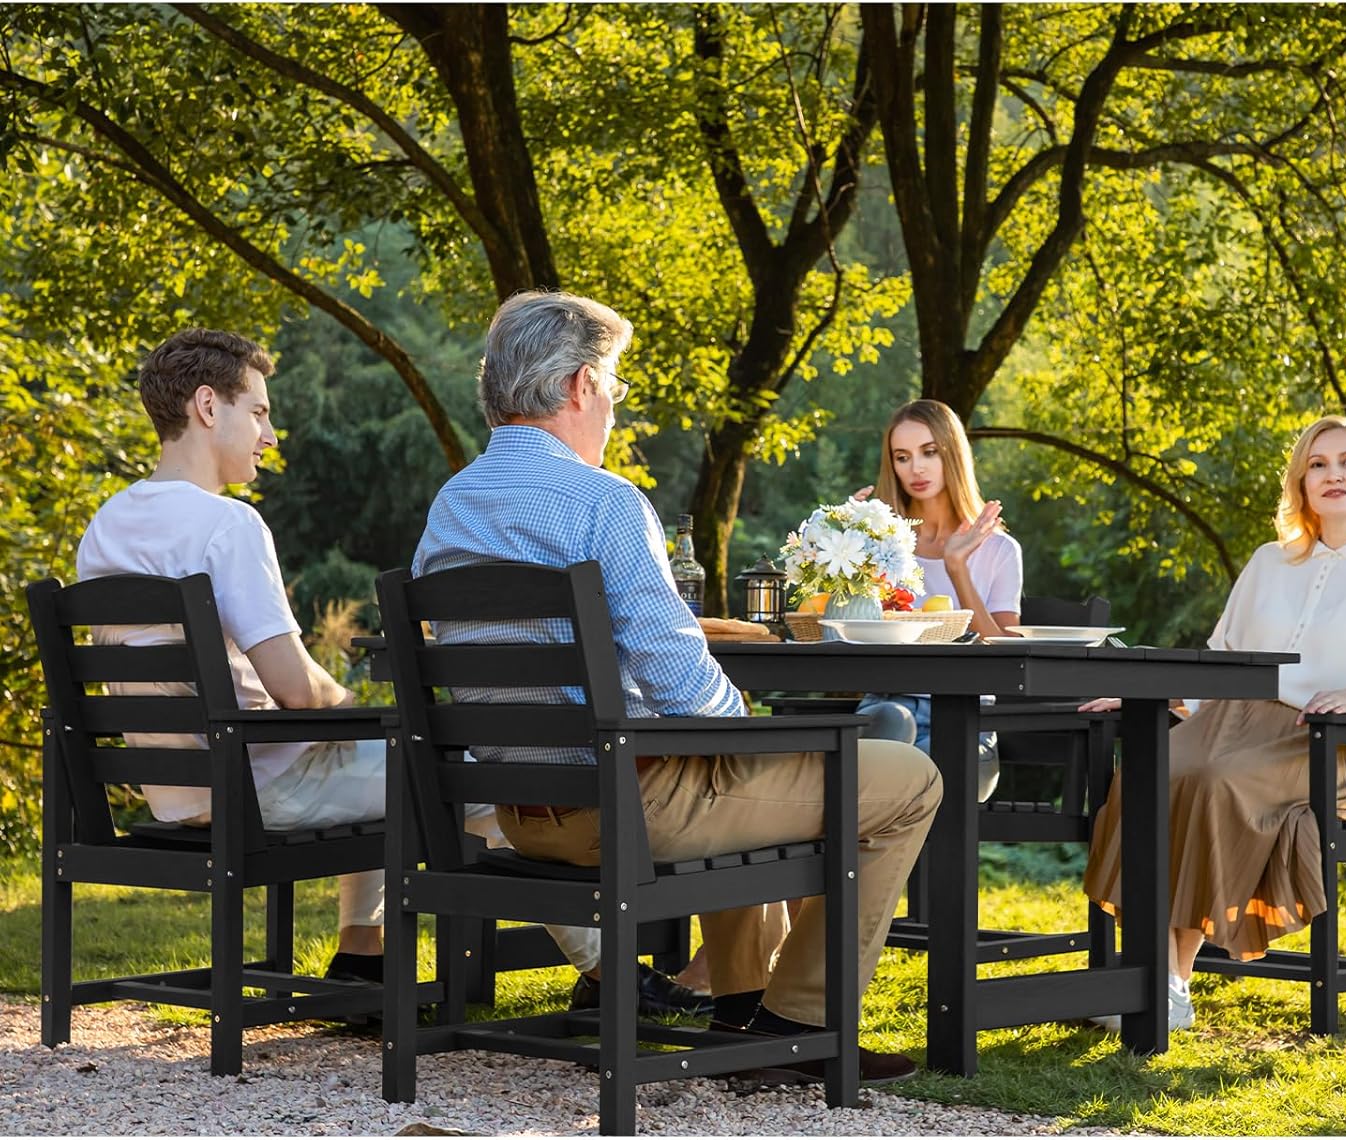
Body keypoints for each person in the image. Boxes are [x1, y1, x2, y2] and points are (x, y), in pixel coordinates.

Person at [412, 289, 943, 1085]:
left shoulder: (451, 505)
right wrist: (753, 728)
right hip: (623, 812)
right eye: (614, 388)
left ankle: (741, 1006)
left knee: (729, 759)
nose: (613, 408)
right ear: (581, 385)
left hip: (521, 817)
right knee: (907, 778)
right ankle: (802, 1024)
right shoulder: (606, 504)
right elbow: (684, 687)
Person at [74, 327, 608, 993]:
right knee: (468, 775)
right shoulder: (227, 525)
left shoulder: (106, 526)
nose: (270, 437)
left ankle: (361, 955)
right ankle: (609, 972)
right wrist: (351, 706)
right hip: (259, 789)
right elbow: (297, 690)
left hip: (177, 793)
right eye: (259, 413)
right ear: (208, 406)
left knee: (389, 761)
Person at [1080, 414, 1346, 1031]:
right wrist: (1151, 697)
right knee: (1148, 772)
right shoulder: (1269, 561)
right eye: (1317, 465)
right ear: (1301, 483)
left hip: (1319, 743)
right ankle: (1152, 977)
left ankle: (1167, 982)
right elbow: (1222, 657)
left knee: (1213, 781)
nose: (1333, 475)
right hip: (1225, 723)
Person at [853, 399, 1022, 801]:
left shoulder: (1000, 550)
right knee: (890, 724)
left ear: (952, 453)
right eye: (903, 457)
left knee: (912, 772)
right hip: (887, 705)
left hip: (966, 721)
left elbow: (1008, 655)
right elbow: (848, 633)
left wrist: (957, 567)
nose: (917, 468)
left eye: (929, 452)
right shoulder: (878, 541)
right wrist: (848, 543)